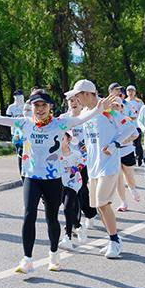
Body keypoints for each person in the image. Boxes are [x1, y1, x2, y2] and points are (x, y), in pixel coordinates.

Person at [0, 91, 110, 272]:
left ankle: (54, 255)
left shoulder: (59, 123)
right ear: (31, 107)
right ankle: (27, 259)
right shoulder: (24, 122)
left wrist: (98, 110)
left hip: (53, 178)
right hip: (31, 177)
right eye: (36, 105)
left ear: (50, 107)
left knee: (51, 217)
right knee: (29, 214)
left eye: (43, 105)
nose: (39, 109)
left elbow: (81, 119)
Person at [65, 79, 137, 258]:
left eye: (78, 96)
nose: (76, 100)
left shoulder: (107, 108)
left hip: (109, 165)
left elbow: (131, 127)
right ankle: (112, 239)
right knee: (98, 206)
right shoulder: (87, 112)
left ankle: (114, 240)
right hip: (93, 166)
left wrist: (115, 144)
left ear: (88, 94)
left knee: (103, 203)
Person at [60, 94, 96, 241]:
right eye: (71, 101)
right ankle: (75, 222)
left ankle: (89, 214)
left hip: (82, 160)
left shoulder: (87, 117)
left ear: (81, 103)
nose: (73, 103)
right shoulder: (63, 118)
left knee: (81, 191)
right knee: (67, 194)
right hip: (65, 161)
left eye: (76, 100)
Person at [57, 132, 84, 251]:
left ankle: (67, 238)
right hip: (59, 184)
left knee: (67, 208)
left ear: (68, 139)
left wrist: (77, 168)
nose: (60, 140)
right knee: (68, 209)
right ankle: (78, 226)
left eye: (62, 138)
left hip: (73, 183)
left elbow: (83, 161)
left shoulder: (75, 153)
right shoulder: (55, 154)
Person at [125, 85, 144, 165]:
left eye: (132, 91)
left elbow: (143, 113)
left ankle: (140, 157)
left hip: (136, 125)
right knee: (128, 142)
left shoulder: (139, 102)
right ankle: (131, 158)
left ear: (135, 92)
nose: (130, 92)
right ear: (126, 92)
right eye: (129, 91)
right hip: (127, 126)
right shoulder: (124, 102)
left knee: (138, 143)